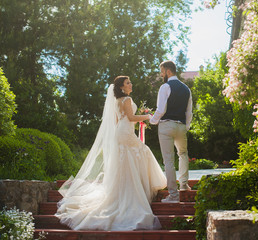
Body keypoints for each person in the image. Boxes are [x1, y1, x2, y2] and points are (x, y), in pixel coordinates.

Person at [55, 76, 167, 231]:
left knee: (129, 158)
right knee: (142, 152)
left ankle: (130, 186)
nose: (131, 84)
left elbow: (119, 120)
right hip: (125, 132)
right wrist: (148, 116)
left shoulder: (116, 101)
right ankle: (135, 189)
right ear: (121, 87)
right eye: (128, 83)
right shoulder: (127, 99)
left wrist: (131, 125)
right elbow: (131, 117)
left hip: (121, 131)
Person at [150, 60, 193, 203]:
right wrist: (185, 127)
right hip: (181, 126)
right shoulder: (186, 89)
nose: (161, 74)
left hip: (166, 126)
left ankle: (173, 196)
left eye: (162, 71)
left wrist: (152, 121)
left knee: (168, 161)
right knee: (183, 154)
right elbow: (189, 112)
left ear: (168, 71)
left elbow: (160, 110)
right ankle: (184, 184)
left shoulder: (165, 86)